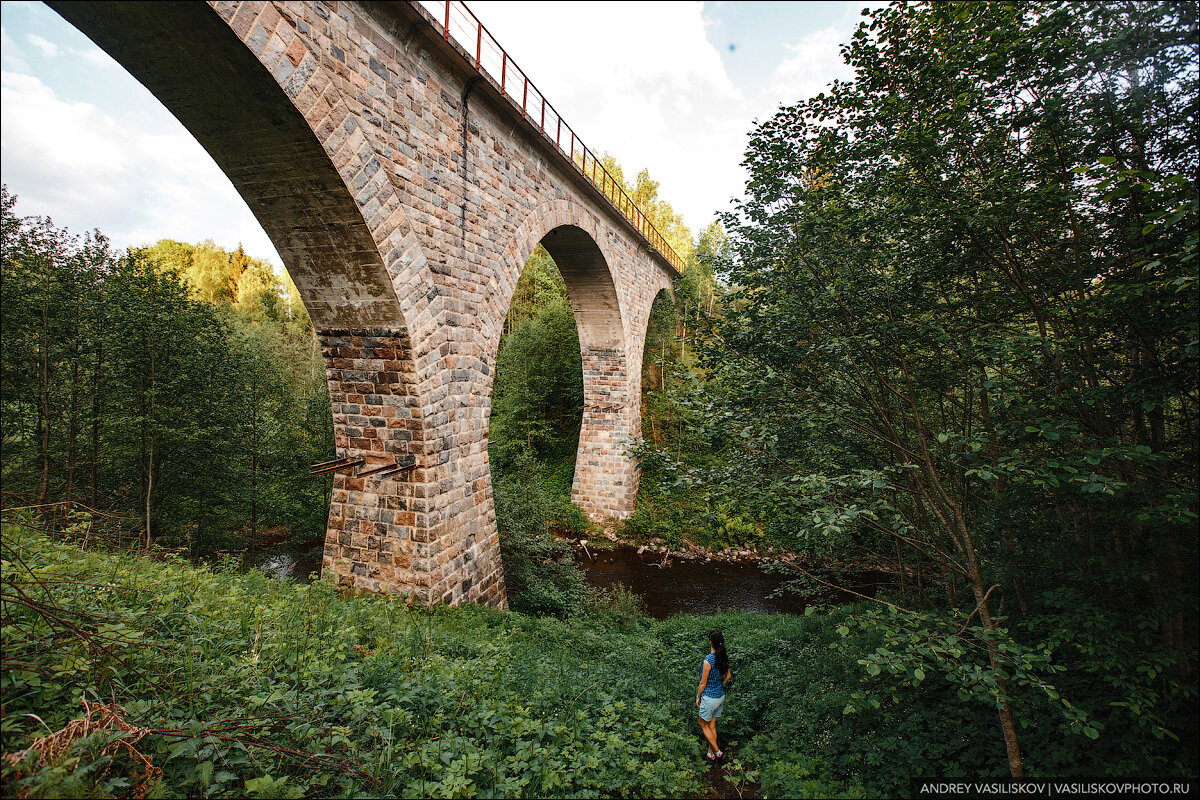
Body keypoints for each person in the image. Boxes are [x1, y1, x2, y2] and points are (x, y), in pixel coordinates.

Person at [695, 629, 732, 761]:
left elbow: (703, 684)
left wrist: (698, 696)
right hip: (720, 696)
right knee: (711, 725)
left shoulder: (708, 661)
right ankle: (711, 754)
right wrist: (720, 685)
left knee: (702, 724)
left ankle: (718, 753)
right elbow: (728, 675)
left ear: (710, 642)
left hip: (709, 698)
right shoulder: (723, 657)